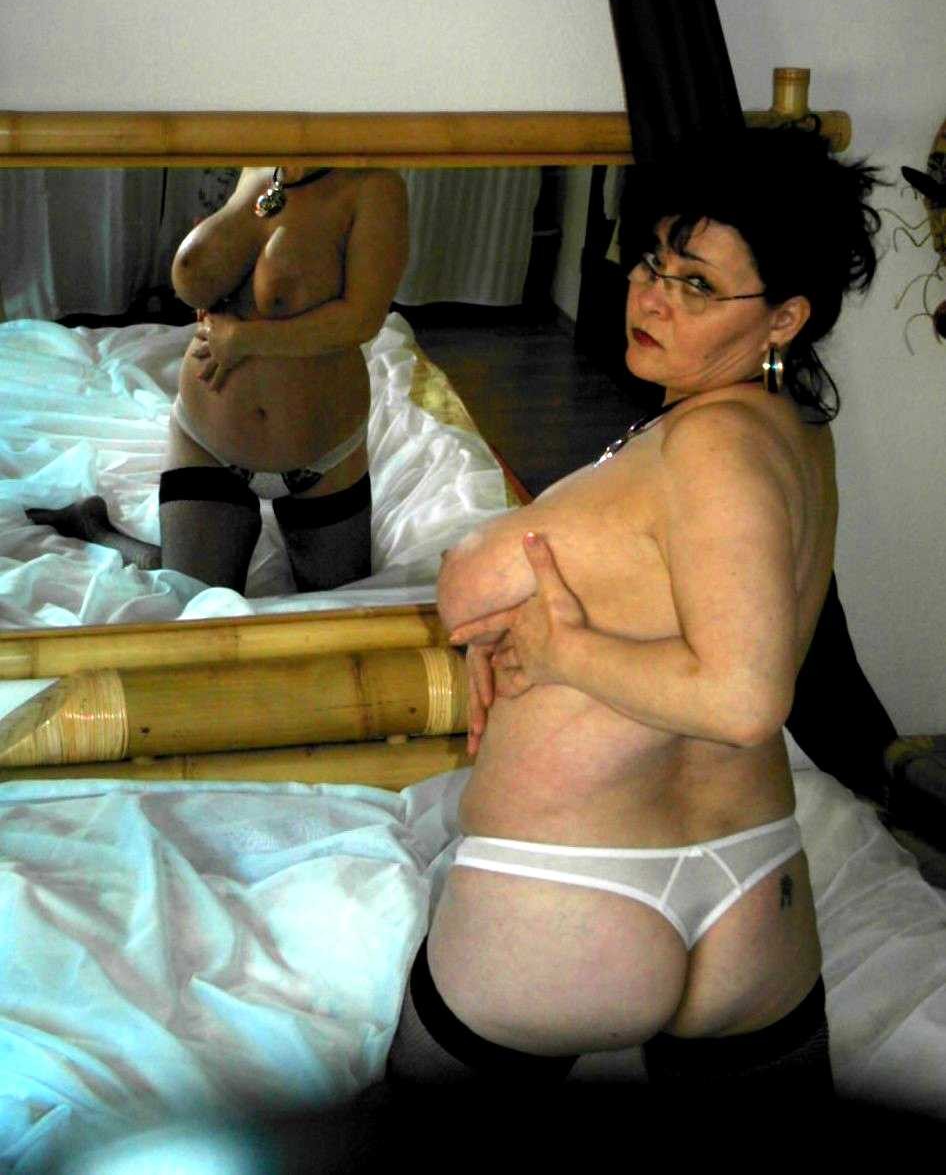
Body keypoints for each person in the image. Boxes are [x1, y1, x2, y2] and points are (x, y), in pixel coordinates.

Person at [386, 125, 882, 1103]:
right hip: (751, 898)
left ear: (784, 317)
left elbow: (745, 697)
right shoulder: (787, 434)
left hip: (572, 889)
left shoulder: (712, 448)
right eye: (652, 262)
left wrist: (563, 650)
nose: (650, 296)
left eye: (697, 284)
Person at [27, 165, 409, 593]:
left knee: (338, 603)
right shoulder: (255, 165)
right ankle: (93, 527)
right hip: (206, 440)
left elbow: (362, 319)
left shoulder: (372, 185)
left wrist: (245, 339)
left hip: (322, 455)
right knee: (191, 594)